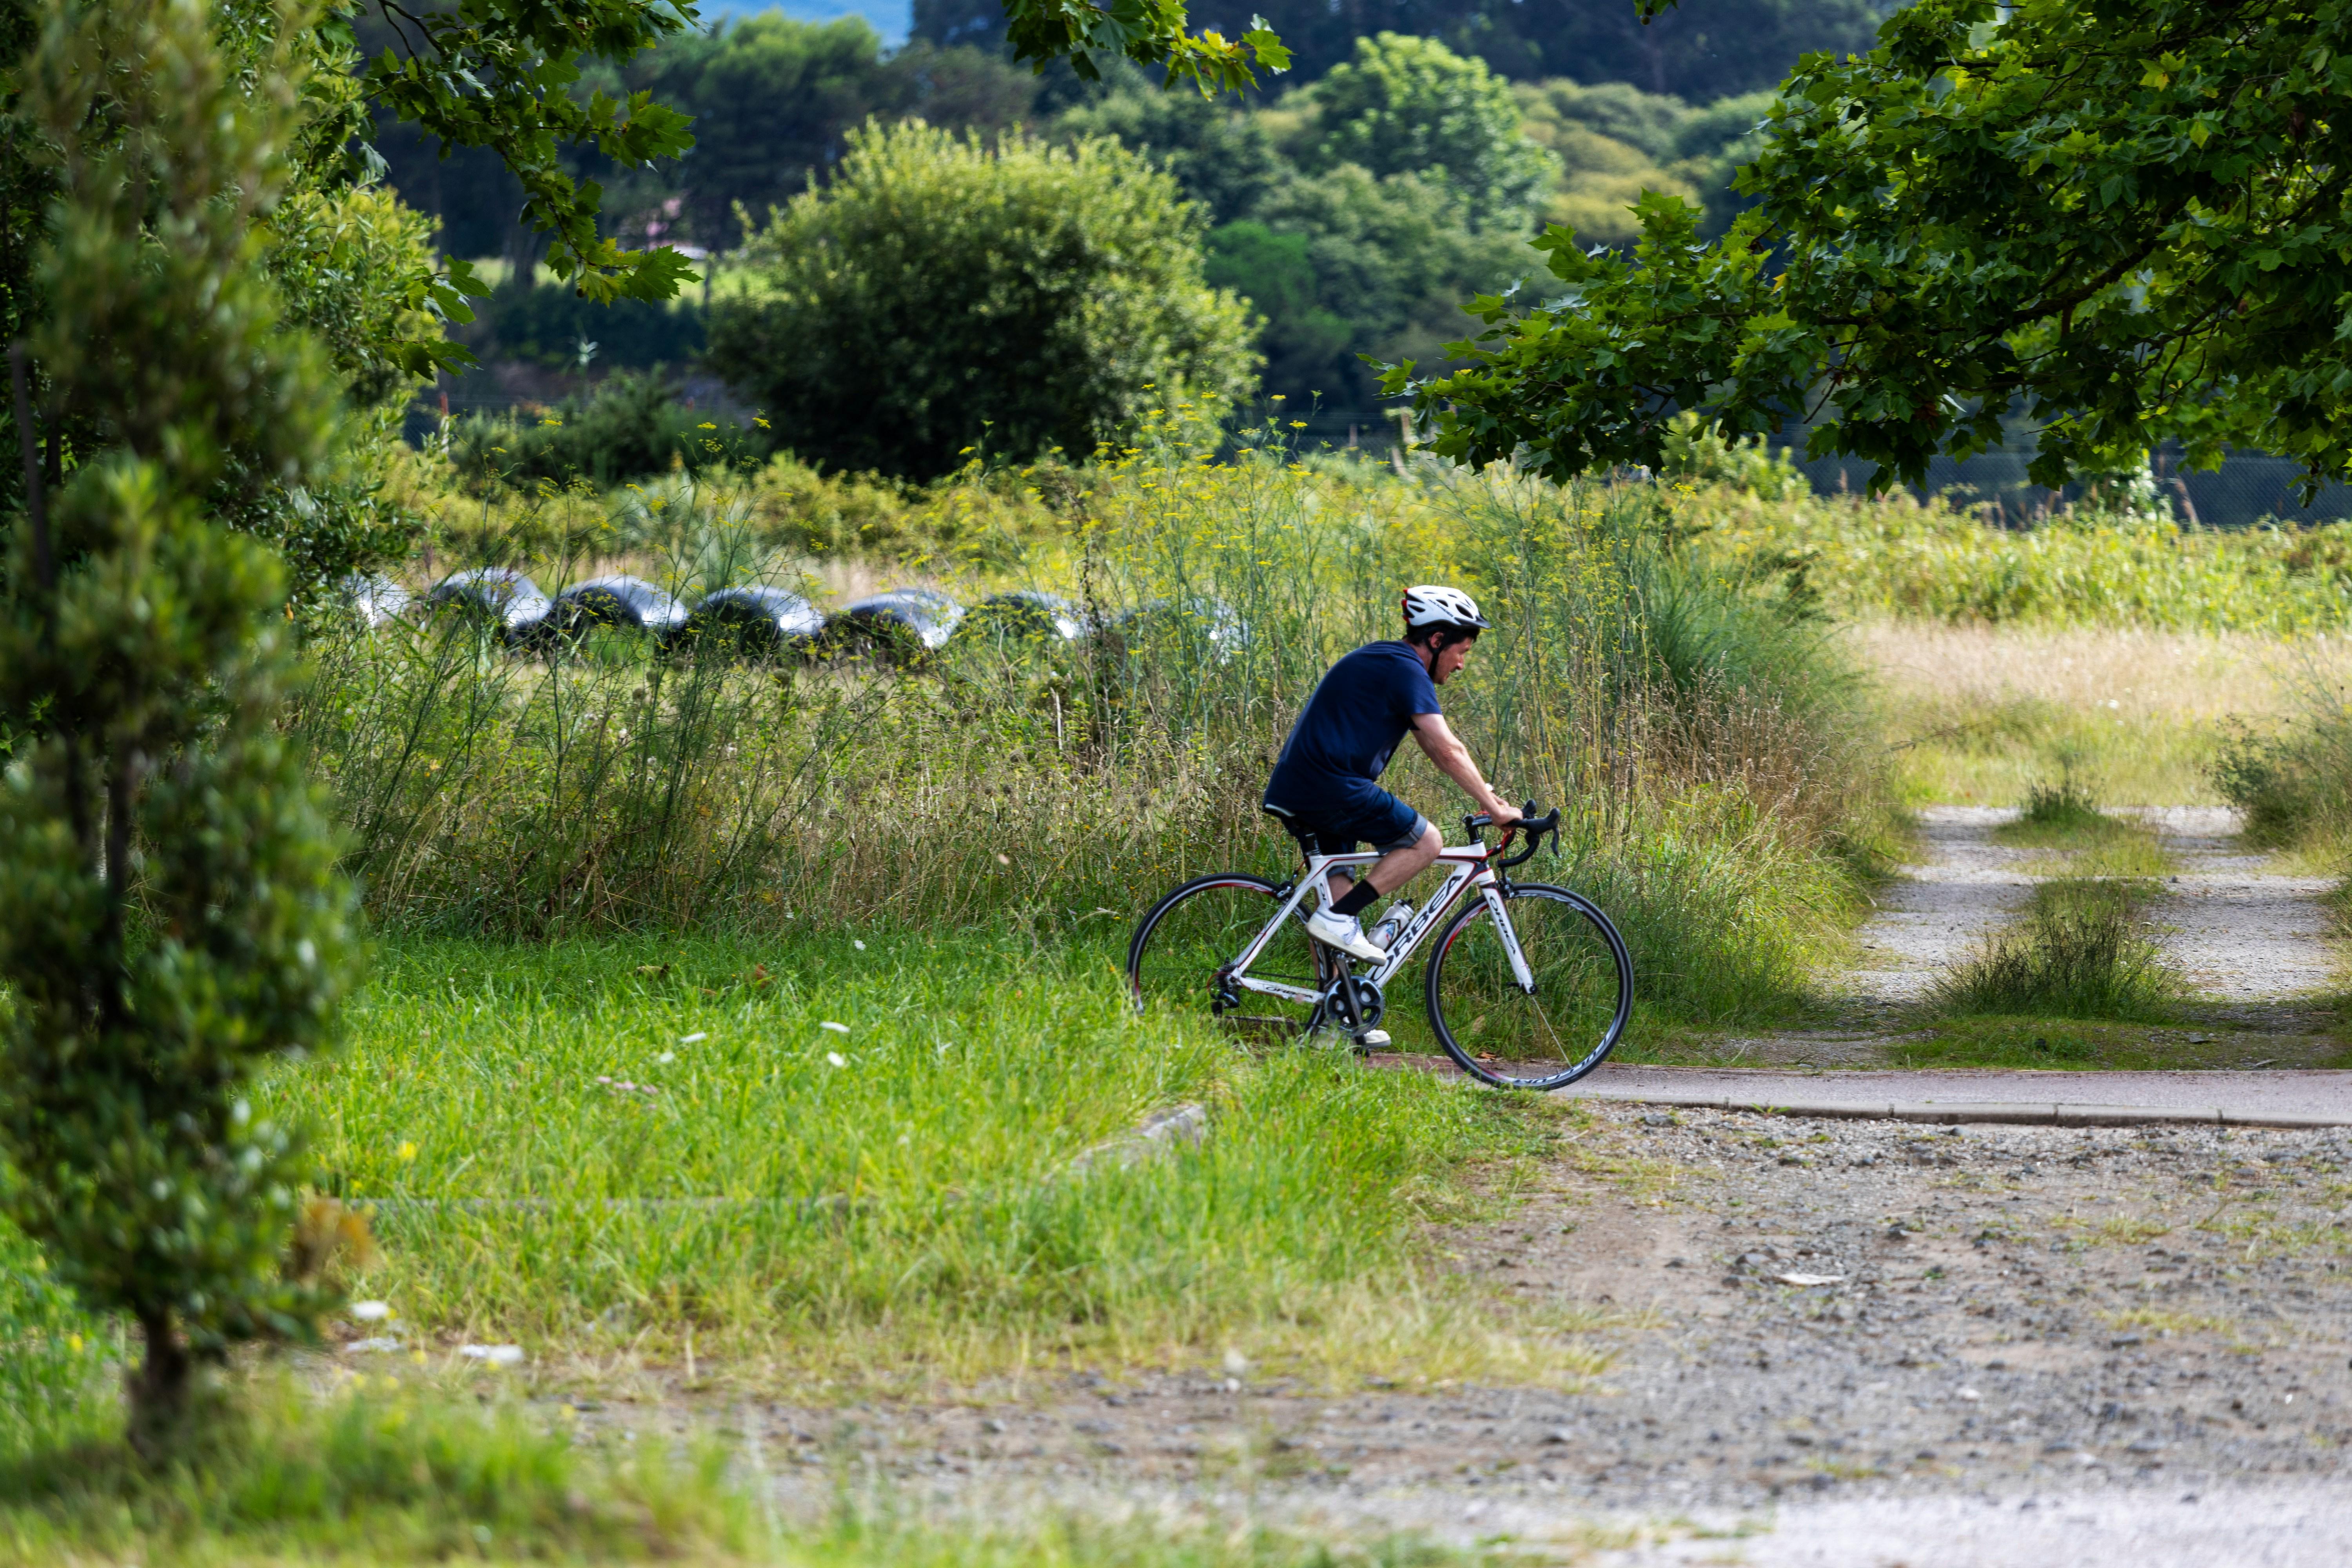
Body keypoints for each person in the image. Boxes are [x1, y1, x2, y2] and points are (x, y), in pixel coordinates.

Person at [1263, 584, 1523, 997]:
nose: (1461, 666)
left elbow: (1438, 750)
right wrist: (1493, 808)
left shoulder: (1390, 663)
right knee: (1426, 841)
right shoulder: (1404, 668)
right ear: (1437, 640)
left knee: (1339, 903)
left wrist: (1486, 796)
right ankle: (1337, 920)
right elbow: (1448, 748)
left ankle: (1337, 1015)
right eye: (1462, 652)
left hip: (1313, 786)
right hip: (1330, 786)